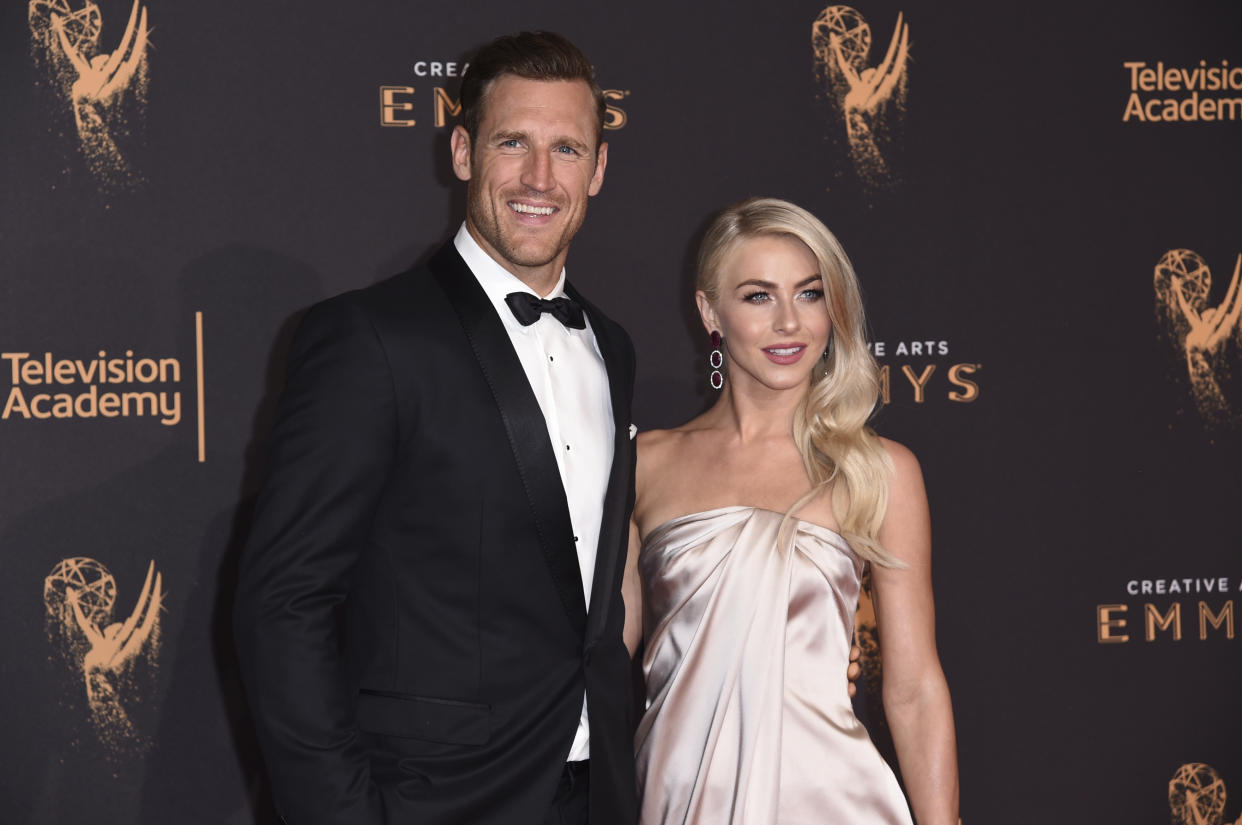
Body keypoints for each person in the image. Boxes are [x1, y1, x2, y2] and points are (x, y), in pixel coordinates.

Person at [233, 32, 638, 825]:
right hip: (434, 801)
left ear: (597, 170)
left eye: (567, 149)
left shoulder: (612, 346)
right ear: (462, 151)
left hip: (600, 797)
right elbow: (283, 602)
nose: (539, 178)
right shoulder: (371, 338)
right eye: (512, 143)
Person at [624, 198, 959, 824]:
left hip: (832, 801)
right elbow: (609, 659)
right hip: (680, 799)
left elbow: (913, 688)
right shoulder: (647, 463)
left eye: (809, 295)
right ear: (709, 312)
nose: (789, 323)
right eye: (757, 296)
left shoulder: (881, 469)